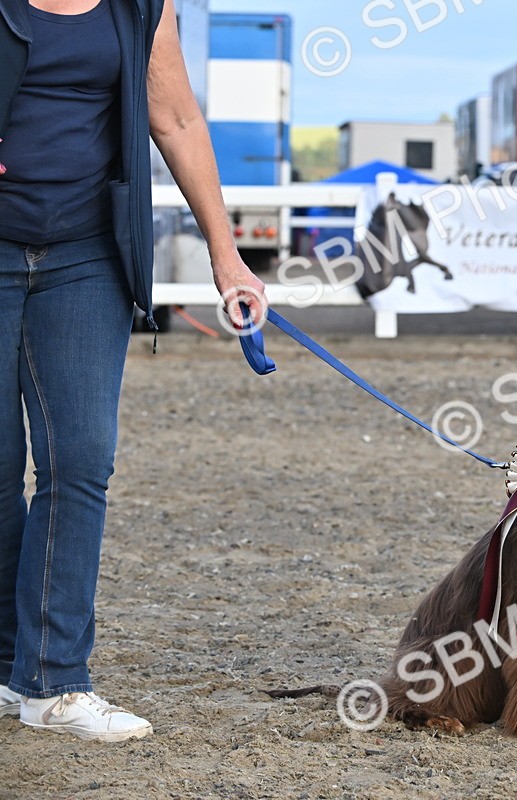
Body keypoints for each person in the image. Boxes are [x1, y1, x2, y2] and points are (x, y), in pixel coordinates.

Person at [0, 0, 267, 741]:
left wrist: (226, 256)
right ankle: (8, 668)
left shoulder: (142, 4)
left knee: (80, 456)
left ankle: (53, 682)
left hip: (86, 252)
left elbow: (176, 120)